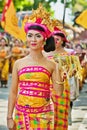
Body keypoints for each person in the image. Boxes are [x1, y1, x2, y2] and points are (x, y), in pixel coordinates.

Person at [7, 11, 64, 130]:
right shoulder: (18, 63)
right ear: (26, 38)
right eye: (30, 35)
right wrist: (9, 117)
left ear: (44, 39)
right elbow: (13, 92)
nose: (33, 39)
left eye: (38, 36)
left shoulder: (52, 64)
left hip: (44, 116)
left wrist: (61, 74)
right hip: (22, 115)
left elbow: (58, 93)